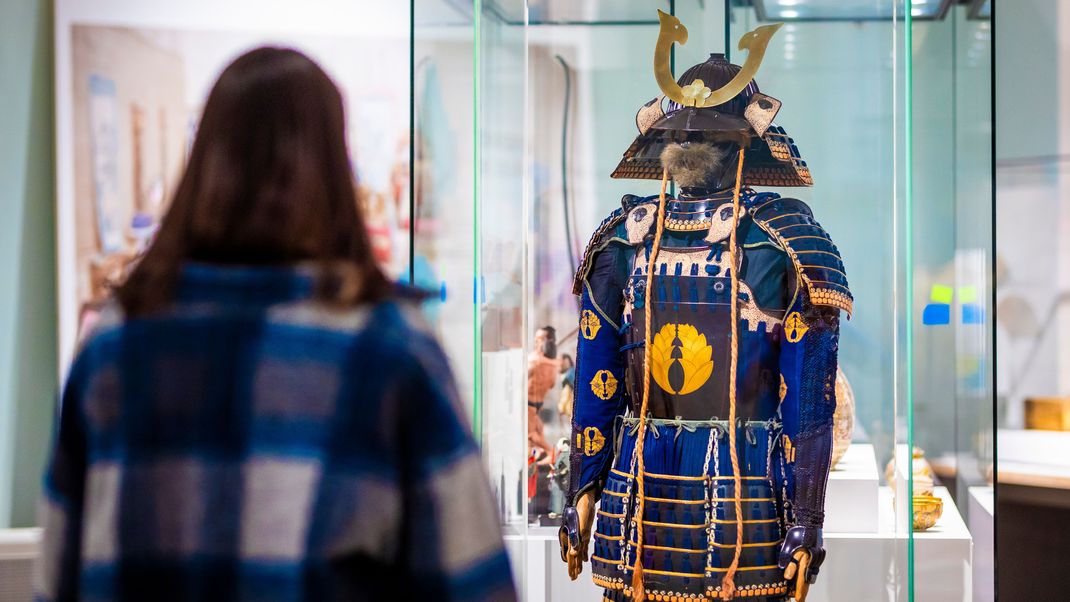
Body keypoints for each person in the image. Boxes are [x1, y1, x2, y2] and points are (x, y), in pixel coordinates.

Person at [37, 47, 516, 602]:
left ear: (204, 163)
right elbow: (474, 579)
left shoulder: (112, 344)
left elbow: (55, 577)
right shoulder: (390, 349)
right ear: (334, 168)